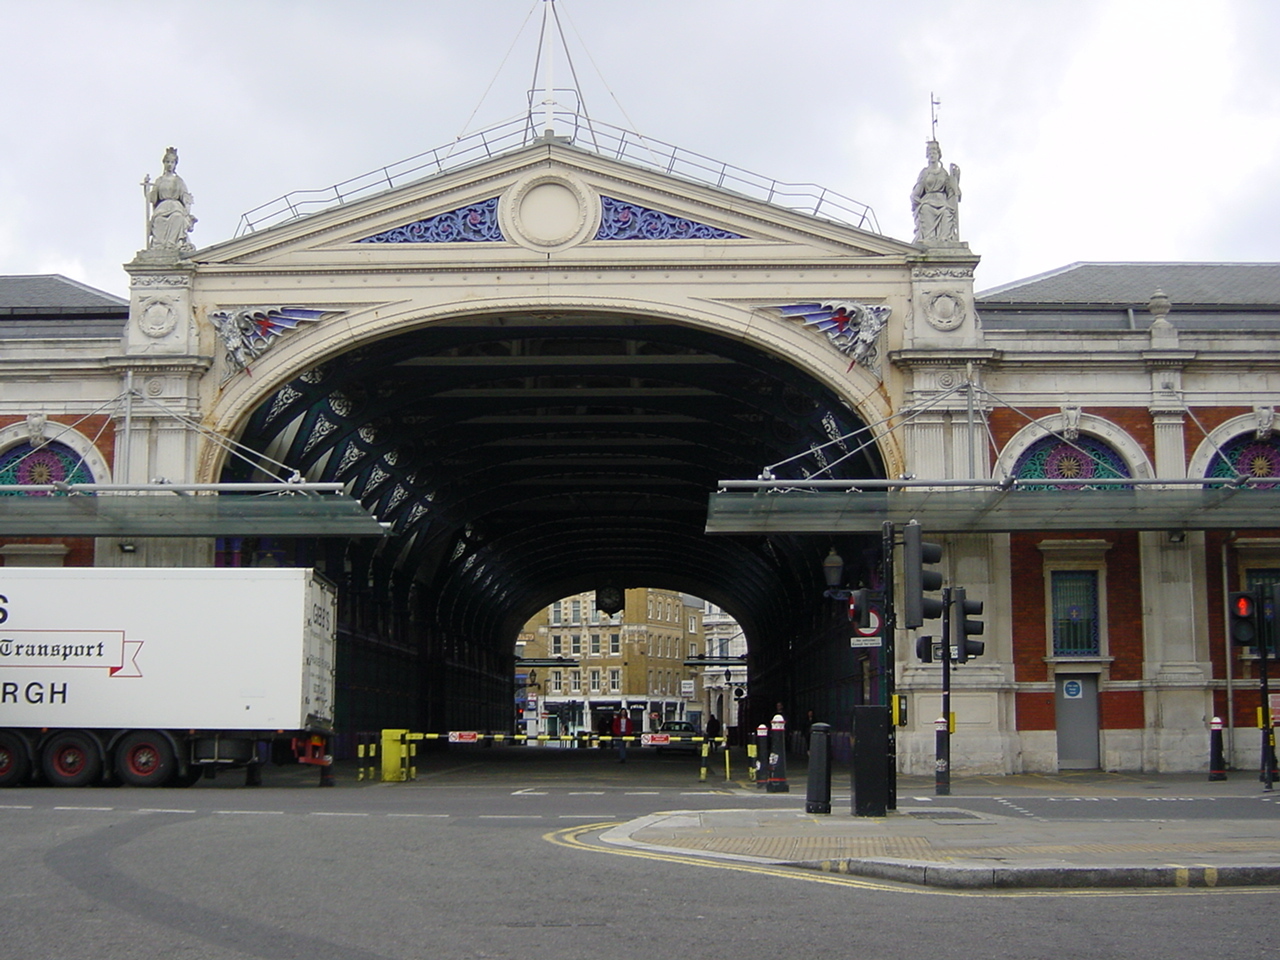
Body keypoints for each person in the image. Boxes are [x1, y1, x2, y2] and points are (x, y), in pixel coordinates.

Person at [147, 146, 196, 253]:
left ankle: (171, 245)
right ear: (164, 163)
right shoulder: (159, 180)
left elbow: (184, 197)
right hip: (162, 207)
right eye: (167, 162)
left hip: (175, 207)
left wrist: (188, 209)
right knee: (159, 220)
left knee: (177, 217)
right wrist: (147, 190)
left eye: (172, 162)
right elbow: (153, 198)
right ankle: (158, 246)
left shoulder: (178, 181)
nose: (169, 164)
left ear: (175, 164)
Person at [910, 140, 961, 244]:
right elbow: (918, 190)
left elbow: (951, 191)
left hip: (942, 202)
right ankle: (929, 239)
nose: (932, 155)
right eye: (929, 153)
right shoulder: (925, 173)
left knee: (947, 212)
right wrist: (914, 196)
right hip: (928, 201)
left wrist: (955, 179)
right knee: (925, 208)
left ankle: (945, 239)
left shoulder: (943, 173)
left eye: (934, 153)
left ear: (938, 155)